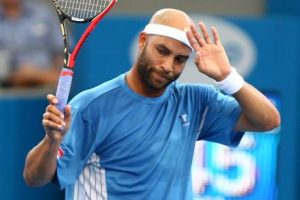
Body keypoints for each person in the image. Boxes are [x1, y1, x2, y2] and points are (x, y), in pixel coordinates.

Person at [23, 8, 280, 200]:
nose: (168, 66)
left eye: (180, 59)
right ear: (143, 40)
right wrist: (52, 141)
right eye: (162, 51)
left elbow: (268, 120)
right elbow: (34, 178)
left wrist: (228, 77)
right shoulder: (91, 107)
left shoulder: (195, 101)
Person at [0, 0, 63, 88]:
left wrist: (52, 76)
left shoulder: (44, 13)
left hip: (48, 84)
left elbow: (61, 50)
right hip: (8, 88)